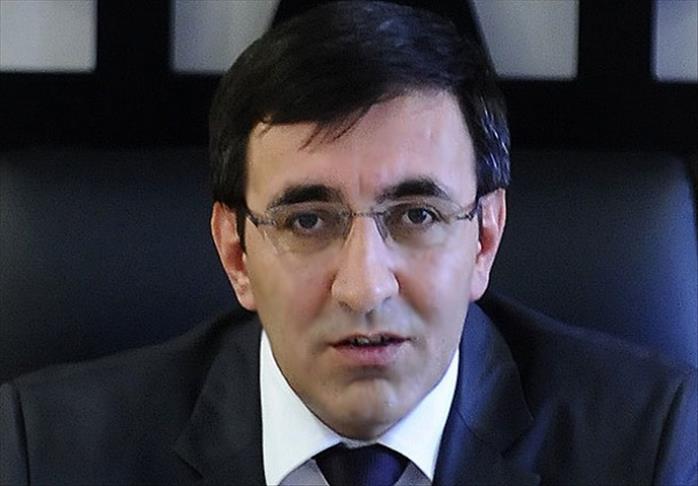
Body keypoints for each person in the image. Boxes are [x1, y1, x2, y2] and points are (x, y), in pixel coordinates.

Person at [1, 2, 696, 485]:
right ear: (236, 253)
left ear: (484, 239)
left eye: (417, 215)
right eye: (308, 221)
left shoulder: (650, 448)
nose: (365, 288)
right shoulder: (49, 453)